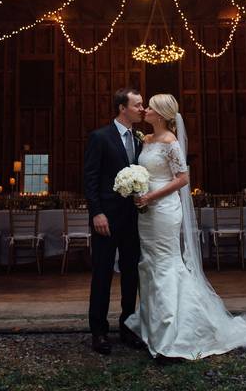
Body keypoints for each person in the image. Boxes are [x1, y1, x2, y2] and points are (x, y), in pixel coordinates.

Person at [125, 94, 246, 360]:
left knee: (167, 263)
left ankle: (173, 332)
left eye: (151, 107)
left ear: (162, 114)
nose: (146, 110)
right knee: (150, 262)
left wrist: (151, 196)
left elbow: (182, 179)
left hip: (165, 209)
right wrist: (136, 188)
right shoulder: (145, 140)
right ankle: (152, 326)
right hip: (145, 210)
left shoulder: (171, 142)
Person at [84, 87, 145, 355]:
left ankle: (127, 327)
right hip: (106, 219)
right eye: (137, 105)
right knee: (102, 275)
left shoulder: (141, 139)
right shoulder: (100, 137)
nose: (142, 109)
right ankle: (98, 331)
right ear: (122, 108)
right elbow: (91, 178)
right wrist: (96, 212)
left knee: (132, 275)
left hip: (134, 220)